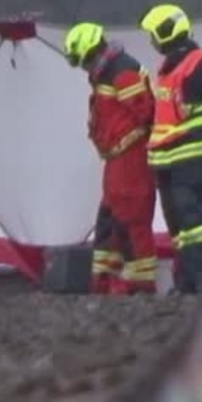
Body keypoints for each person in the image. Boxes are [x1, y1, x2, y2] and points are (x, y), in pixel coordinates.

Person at [139, 4, 202, 294]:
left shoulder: (201, 63)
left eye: (153, 36)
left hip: (190, 159)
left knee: (191, 223)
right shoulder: (168, 69)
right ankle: (187, 281)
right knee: (179, 228)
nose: (152, 43)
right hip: (166, 161)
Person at [63, 22, 157, 294]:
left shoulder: (121, 71)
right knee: (109, 217)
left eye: (81, 61)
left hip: (131, 157)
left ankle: (140, 282)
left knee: (132, 216)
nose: (82, 68)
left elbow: (145, 112)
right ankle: (105, 279)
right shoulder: (106, 73)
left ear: (90, 52)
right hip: (117, 159)